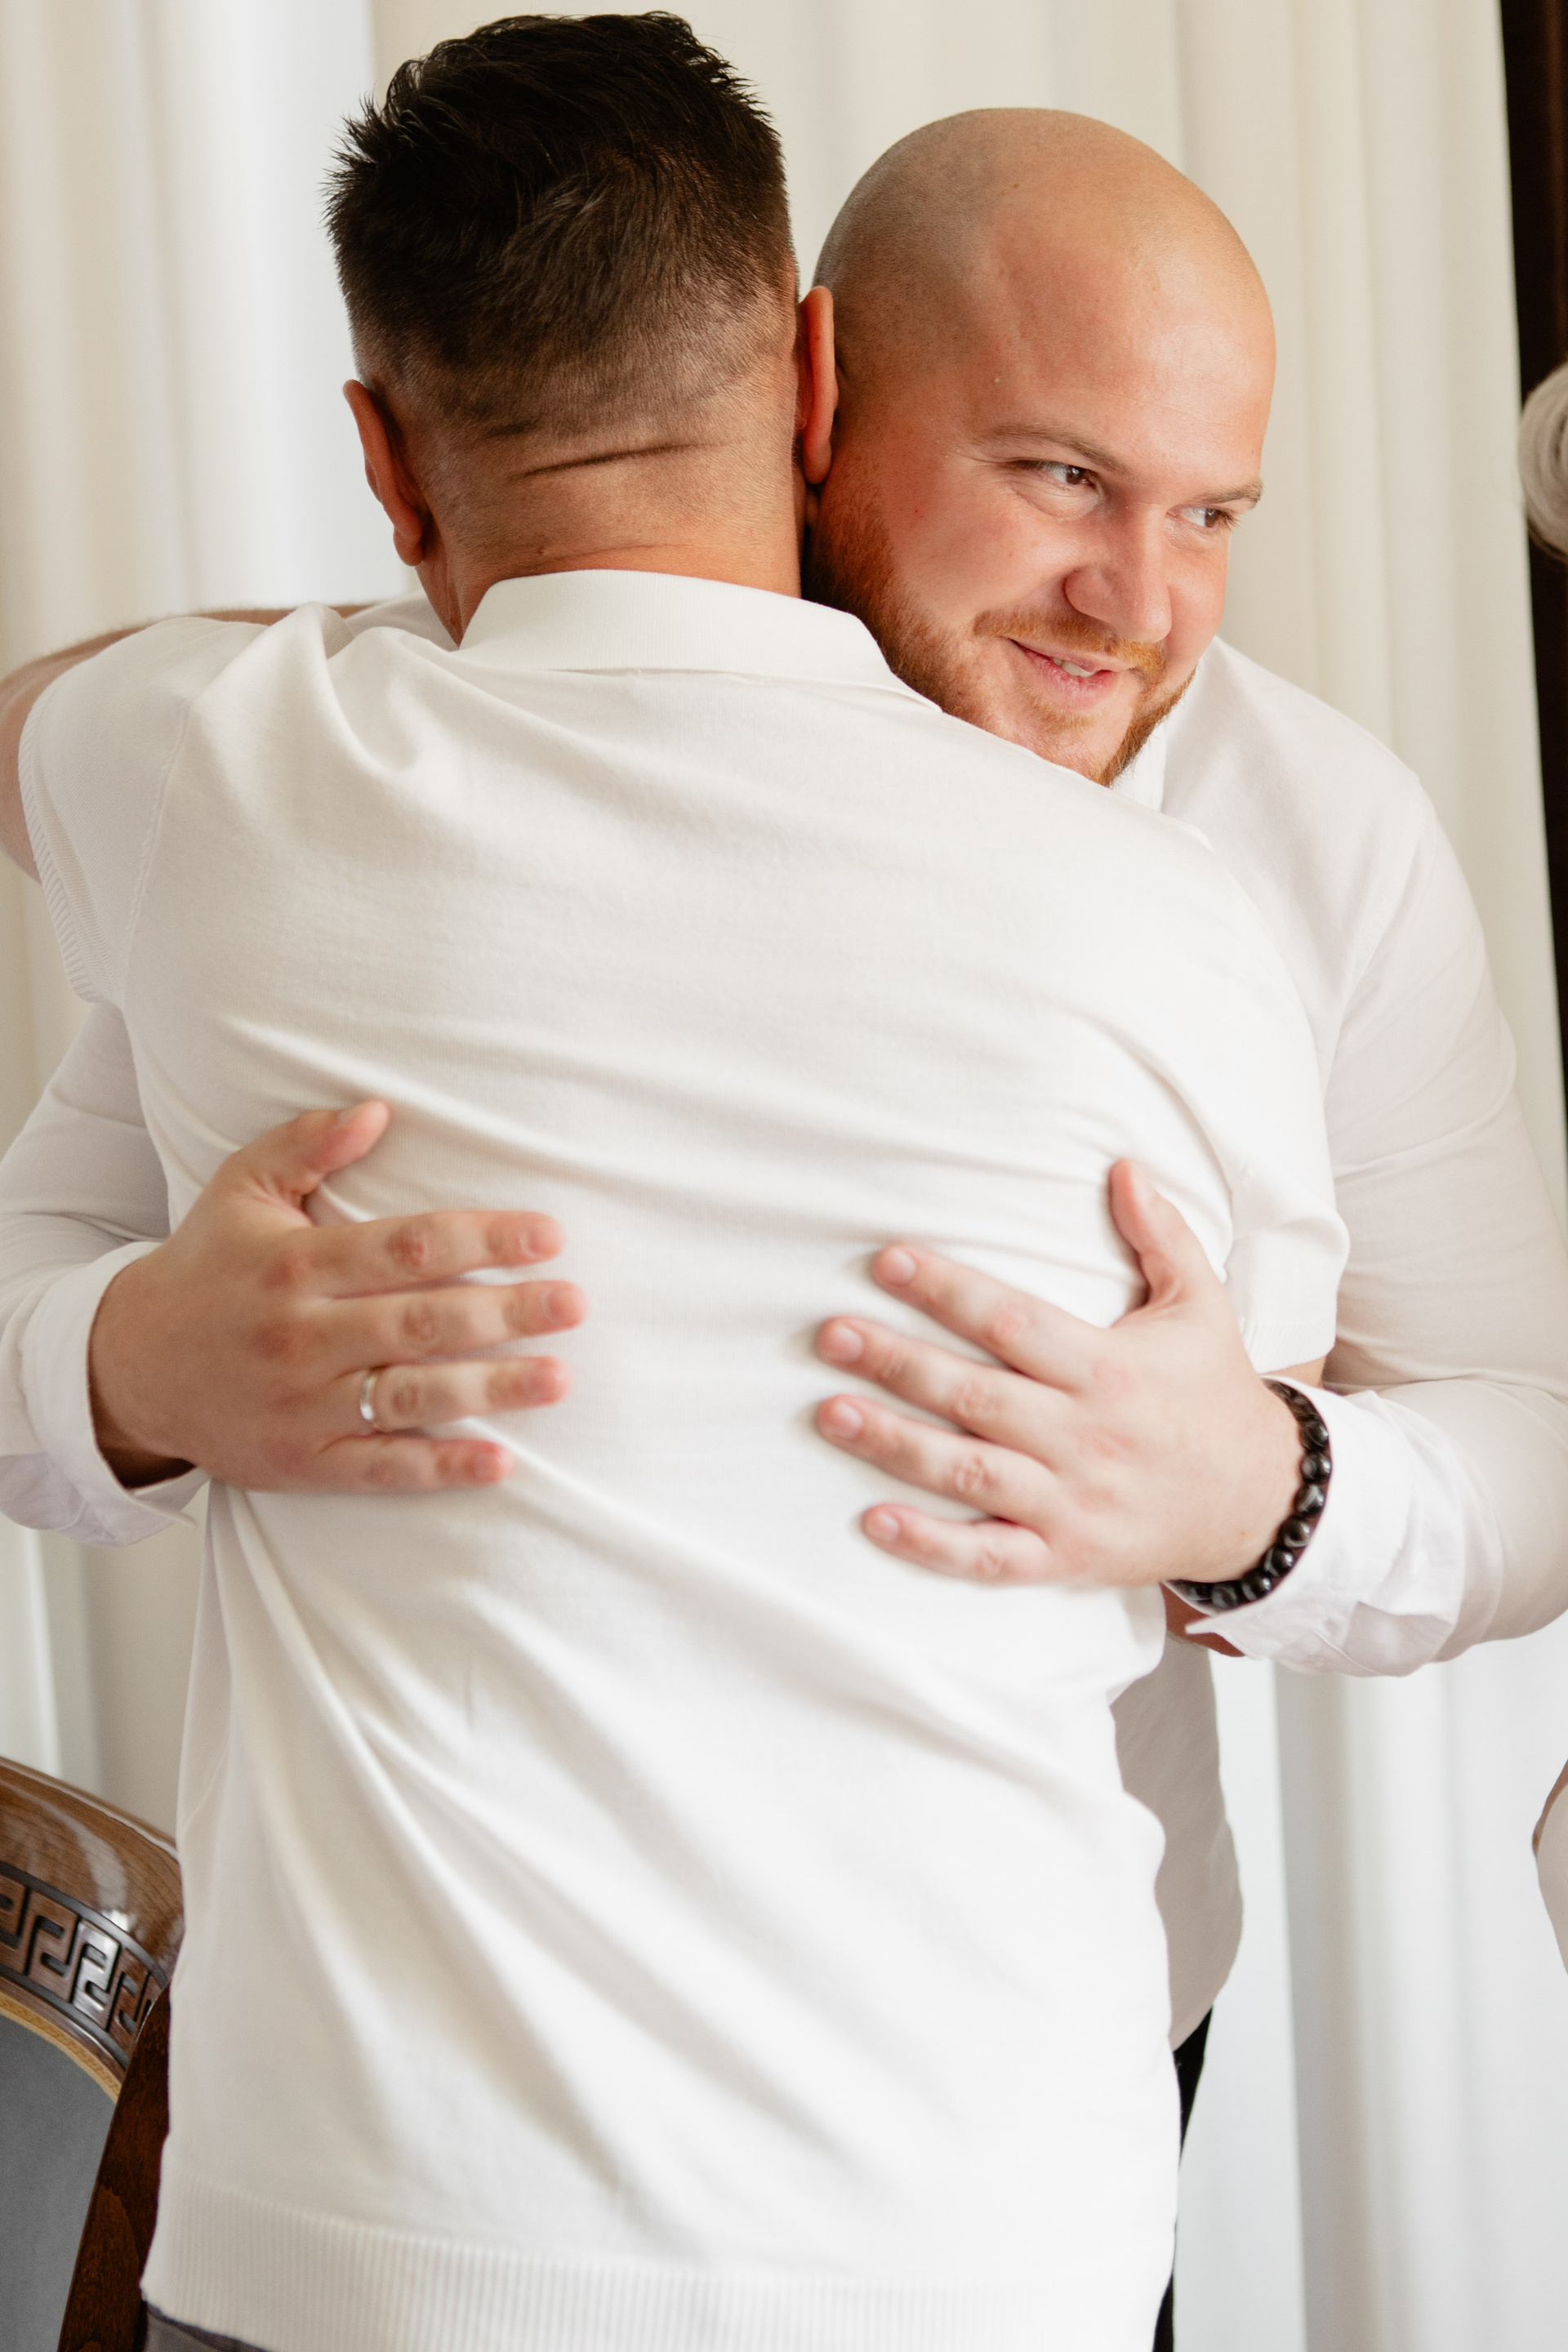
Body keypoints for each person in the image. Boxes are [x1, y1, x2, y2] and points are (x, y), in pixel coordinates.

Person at [5, 82, 1568, 2352]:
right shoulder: (339, 766)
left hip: (1019, 2107)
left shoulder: (1302, 851)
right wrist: (131, 1368)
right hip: (425, 2168)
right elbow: (47, 1271)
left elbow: (1533, 1443)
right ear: (819, 393)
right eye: (1059, 478)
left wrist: (1269, 1491)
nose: (1141, 603)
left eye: (1214, 512)